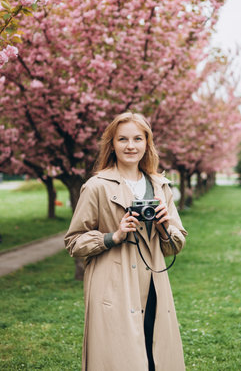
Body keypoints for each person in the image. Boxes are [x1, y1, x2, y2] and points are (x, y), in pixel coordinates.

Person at [65, 112, 187, 371]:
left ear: (147, 143)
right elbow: (74, 242)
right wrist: (113, 236)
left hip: (154, 285)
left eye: (137, 139)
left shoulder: (161, 186)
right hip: (113, 287)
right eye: (122, 139)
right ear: (112, 144)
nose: (130, 146)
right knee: (119, 359)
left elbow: (175, 245)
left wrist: (165, 227)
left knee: (154, 356)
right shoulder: (96, 186)